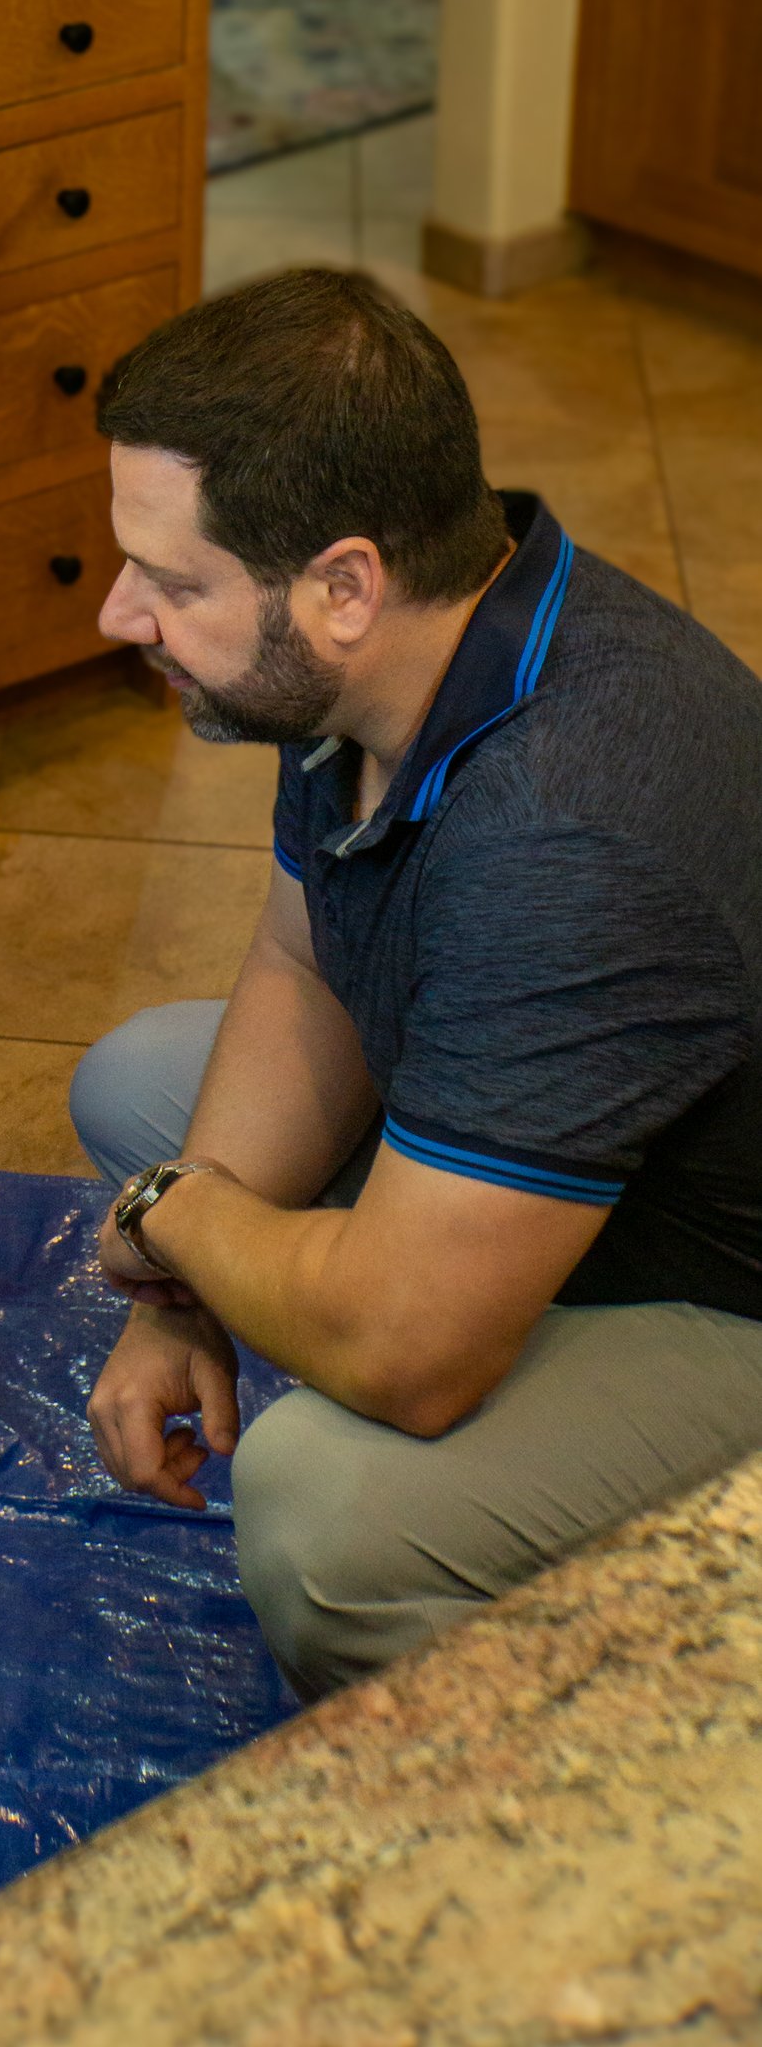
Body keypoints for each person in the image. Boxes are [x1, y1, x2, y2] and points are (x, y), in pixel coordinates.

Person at [68, 266, 762, 1698]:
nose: (118, 616)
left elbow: (406, 1353)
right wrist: (180, 1297)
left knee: (331, 1518)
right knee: (137, 1080)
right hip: (602, 1165)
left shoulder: (567, 830)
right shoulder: (381, 655)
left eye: (173, 581)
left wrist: (175, 1220)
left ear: (344, 584)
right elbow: (302, 952)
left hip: (726, 1290)